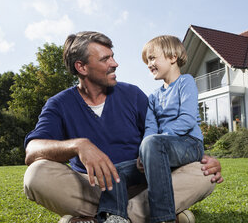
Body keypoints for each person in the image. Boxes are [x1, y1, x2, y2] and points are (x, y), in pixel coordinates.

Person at [23, 31, 224, 223]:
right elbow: (32, 151)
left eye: (113, 56)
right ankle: (146, 214)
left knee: (203, 174)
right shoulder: (59, 104)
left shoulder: (132, 94)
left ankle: (104, 218)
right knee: (35, 176)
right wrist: (78, 146)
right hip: (92, 186)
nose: (115, 64)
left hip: (145, 182)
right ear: (82, 67)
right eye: (105, 59)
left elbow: (164, 138)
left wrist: (198, 157)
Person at [97, 35, 205, 223]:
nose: (149, 64)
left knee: (153, 143)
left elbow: (187, 120)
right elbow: (150, 127)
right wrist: (144, 152)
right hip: (158, 148)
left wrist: (154, 143)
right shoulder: (154, 96)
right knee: (115, 170)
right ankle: (115, 216)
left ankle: (163, 218)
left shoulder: (186, 82)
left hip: (189, 144)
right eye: (147, 60)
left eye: (153, 58)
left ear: (173, 57)